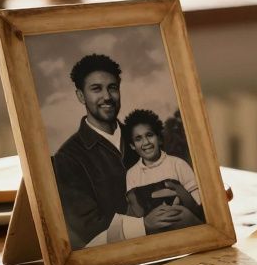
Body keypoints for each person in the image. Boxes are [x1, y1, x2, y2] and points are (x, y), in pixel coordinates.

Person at [51, 54, 200, 249]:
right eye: (96, 89)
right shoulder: (67, 159)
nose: (107, 96)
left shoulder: (145, 140)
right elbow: (86, 232)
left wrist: (190, 213)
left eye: (112, 87)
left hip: (175, 248)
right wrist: (143, 225)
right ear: (80, 96)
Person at [122, 109, 204, 223]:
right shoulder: (132, 174)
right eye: (138, 139)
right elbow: (137, 214)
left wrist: (179, 190)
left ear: (159, 138)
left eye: (149, 135)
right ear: (132, 145)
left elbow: (199, 206)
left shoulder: (178, 164)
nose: (146, 142)